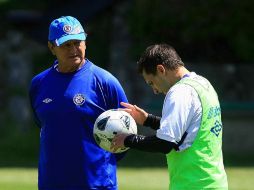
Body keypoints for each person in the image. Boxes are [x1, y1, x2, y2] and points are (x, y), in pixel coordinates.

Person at [29, 16, 128, 190]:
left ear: (85, 43)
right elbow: (44, 124)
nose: (74, 49)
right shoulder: (39, 84)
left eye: (77, 43)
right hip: (51, 184)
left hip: (97, 185)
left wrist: (100, 166)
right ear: (52, 47)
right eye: (66, 45)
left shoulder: (105, 82)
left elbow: (126, 134)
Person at [111, 44, 228, 189]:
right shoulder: (202, 84)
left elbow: (165, 143)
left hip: (194, 185)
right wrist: (148, 120)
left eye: (151, 82)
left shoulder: (179, 92)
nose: (154, 90)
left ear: (161, 70)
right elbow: (186, 130)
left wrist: (128, 140)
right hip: (214, 182)